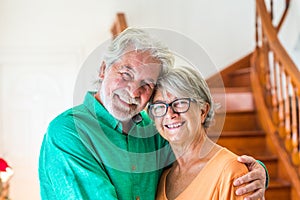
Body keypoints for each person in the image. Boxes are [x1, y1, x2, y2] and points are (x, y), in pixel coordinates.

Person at [38, 27, 267, 200]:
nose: (133, 91)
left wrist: (253, 171)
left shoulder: (153, 130)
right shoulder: (68, 133)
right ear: (103, 69)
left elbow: (198, 156)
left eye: (146, 84)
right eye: (126, 74)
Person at [148, 65, 265, 200]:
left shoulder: (231, 172)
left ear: (203, 111)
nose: (170, 114)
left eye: (180, 102)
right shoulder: (162, 175)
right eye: (159, 106)